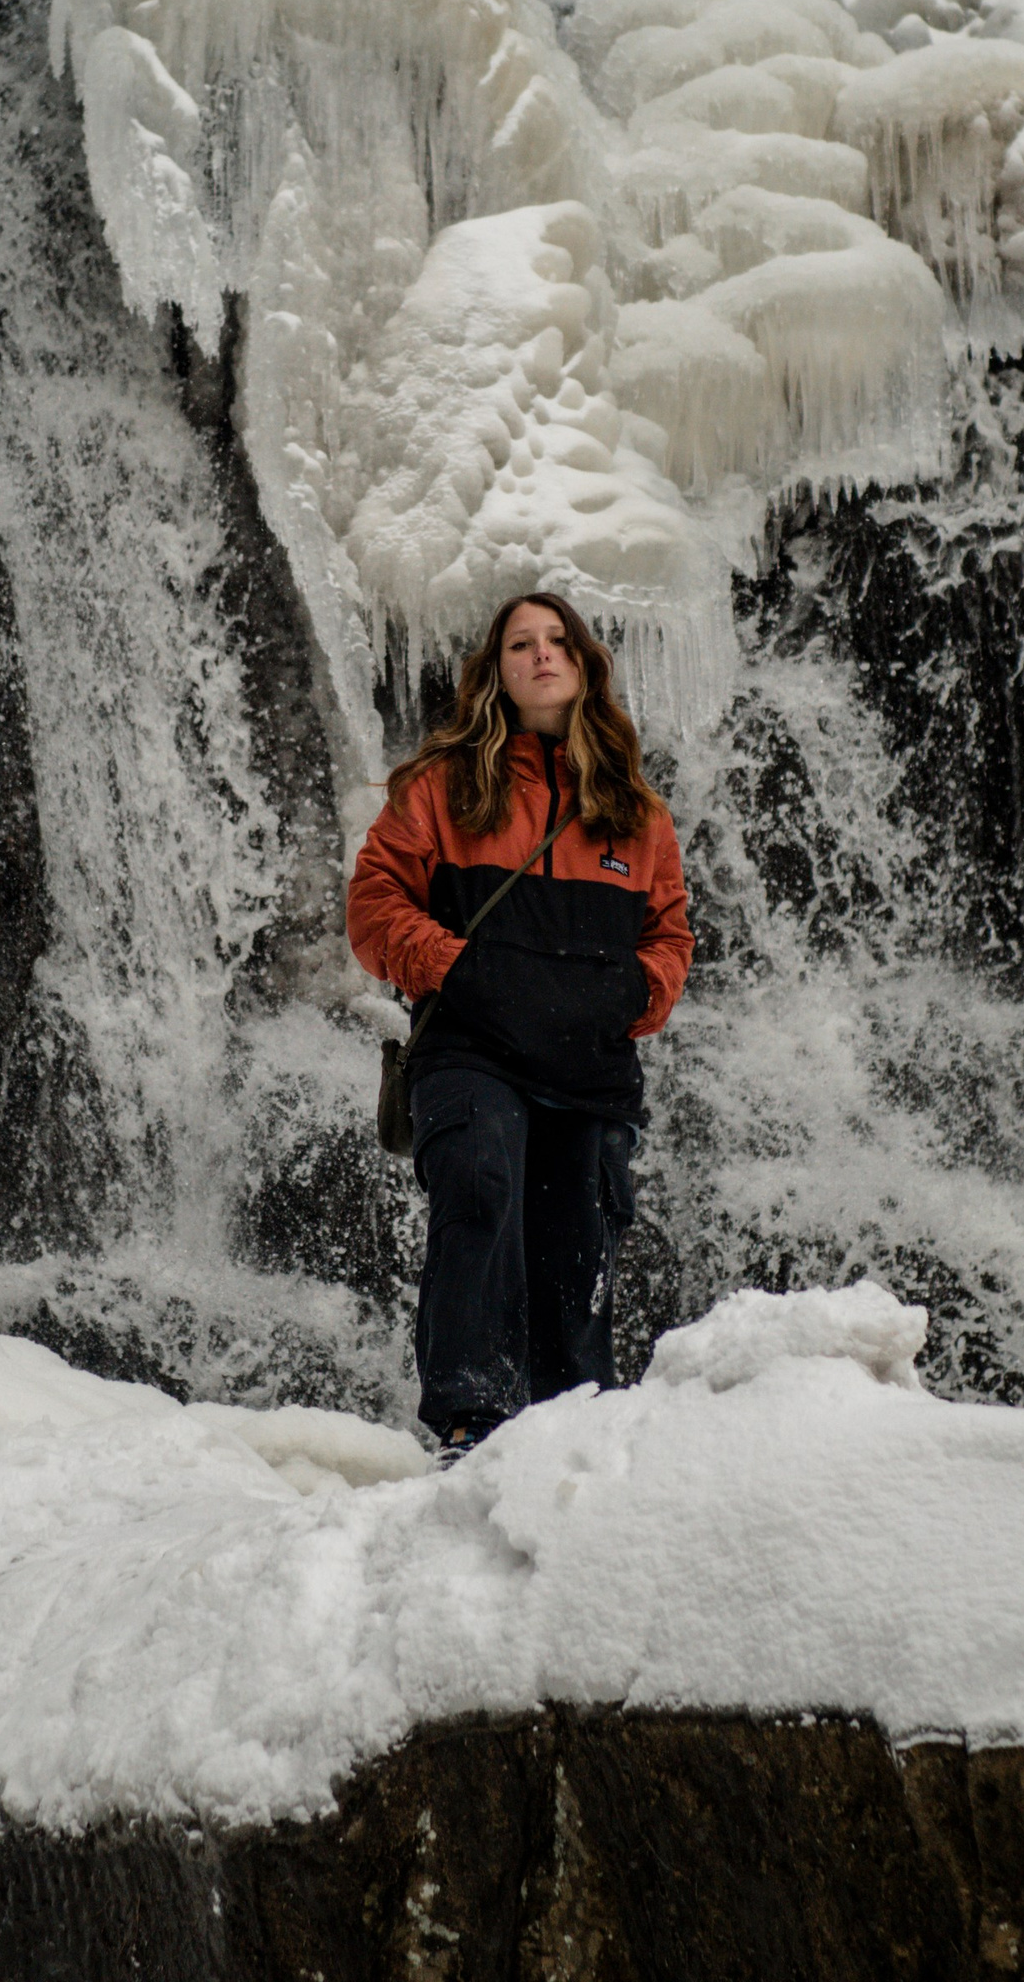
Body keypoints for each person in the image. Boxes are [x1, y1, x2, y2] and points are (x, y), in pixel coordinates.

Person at [348, 592, 693, 1462]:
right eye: (518, 645)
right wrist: (454, 968)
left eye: (556, 642)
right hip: (471, 1051)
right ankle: (473, 1422)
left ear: (583, 663)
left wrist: (629, 999)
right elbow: (373, 901)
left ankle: (572, 1436)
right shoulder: (443, 788)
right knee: (480, 1186)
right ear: (495, 673)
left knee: (580, 1245)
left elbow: (672, 935)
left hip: (588, 1066)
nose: (540, 656)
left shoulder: (637, 814)